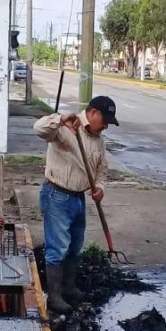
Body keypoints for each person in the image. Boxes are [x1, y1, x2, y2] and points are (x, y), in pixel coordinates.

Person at [33, 96, 118, 314]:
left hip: (78, 198)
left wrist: (100, 187)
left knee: (74, 245)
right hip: (57, 195)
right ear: (92, 113)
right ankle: (54, 296)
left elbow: (102, 170)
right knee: (58, 246)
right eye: (105, 119)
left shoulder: (98, 139)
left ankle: (69, 288)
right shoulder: (65, 128)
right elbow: (39, 128)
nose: (106, 125)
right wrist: (60, 119)